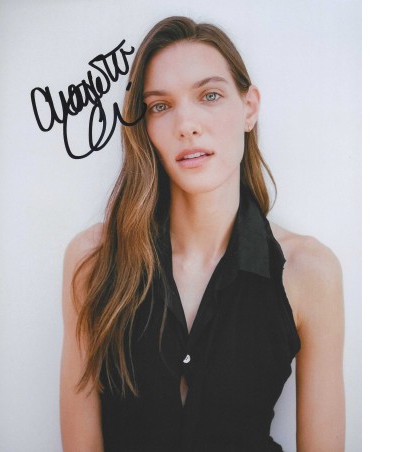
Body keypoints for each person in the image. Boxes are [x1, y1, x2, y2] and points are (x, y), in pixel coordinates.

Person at [60, 16, 345, 452]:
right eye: (160, 106)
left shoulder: (309, 271)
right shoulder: (92, 261)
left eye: (209, 96)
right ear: (145, 126)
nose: (186, 124)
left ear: (249, 108)